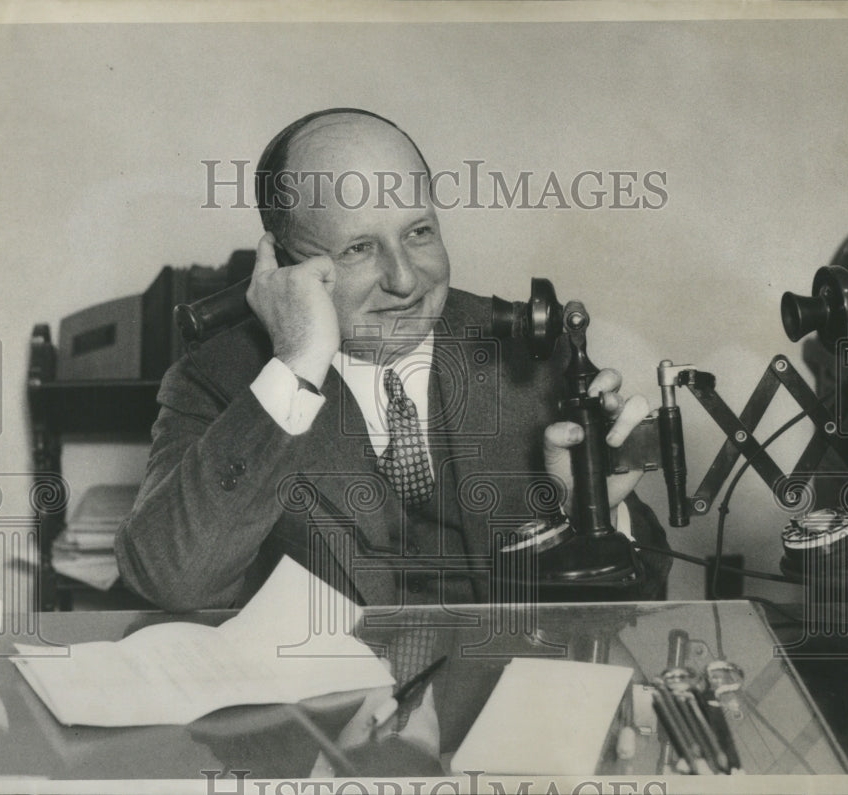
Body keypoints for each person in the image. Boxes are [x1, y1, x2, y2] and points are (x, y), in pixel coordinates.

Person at [115, 108, 671, 613]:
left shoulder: (532, 353)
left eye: (420, 233)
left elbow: (647, 584)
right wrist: (297, 363)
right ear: (285, 265)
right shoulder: (218, 379)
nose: (405, 281)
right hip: (323, 718)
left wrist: (589, 521)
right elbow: (171, 582)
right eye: (358, 248)